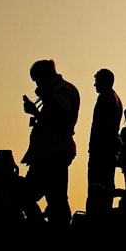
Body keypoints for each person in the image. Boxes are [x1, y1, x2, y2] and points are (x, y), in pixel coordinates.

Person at [21, 60, 80, 226]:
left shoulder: (62, 91)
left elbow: (59, 118)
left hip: (53, 152)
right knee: (56, 197)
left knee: (33, 196)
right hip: (52, 152)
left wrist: (37, 112)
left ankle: (49, 231)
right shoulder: (59, 91)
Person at [87, 68, 123, 216]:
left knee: (97, 186)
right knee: (106, 184)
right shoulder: (116, 99)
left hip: (101, 149)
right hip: (108, 149)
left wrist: (96, 146)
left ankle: (95, 218)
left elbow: (102, 126)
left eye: (97, 81)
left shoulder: (105, 98)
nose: (95, 85)